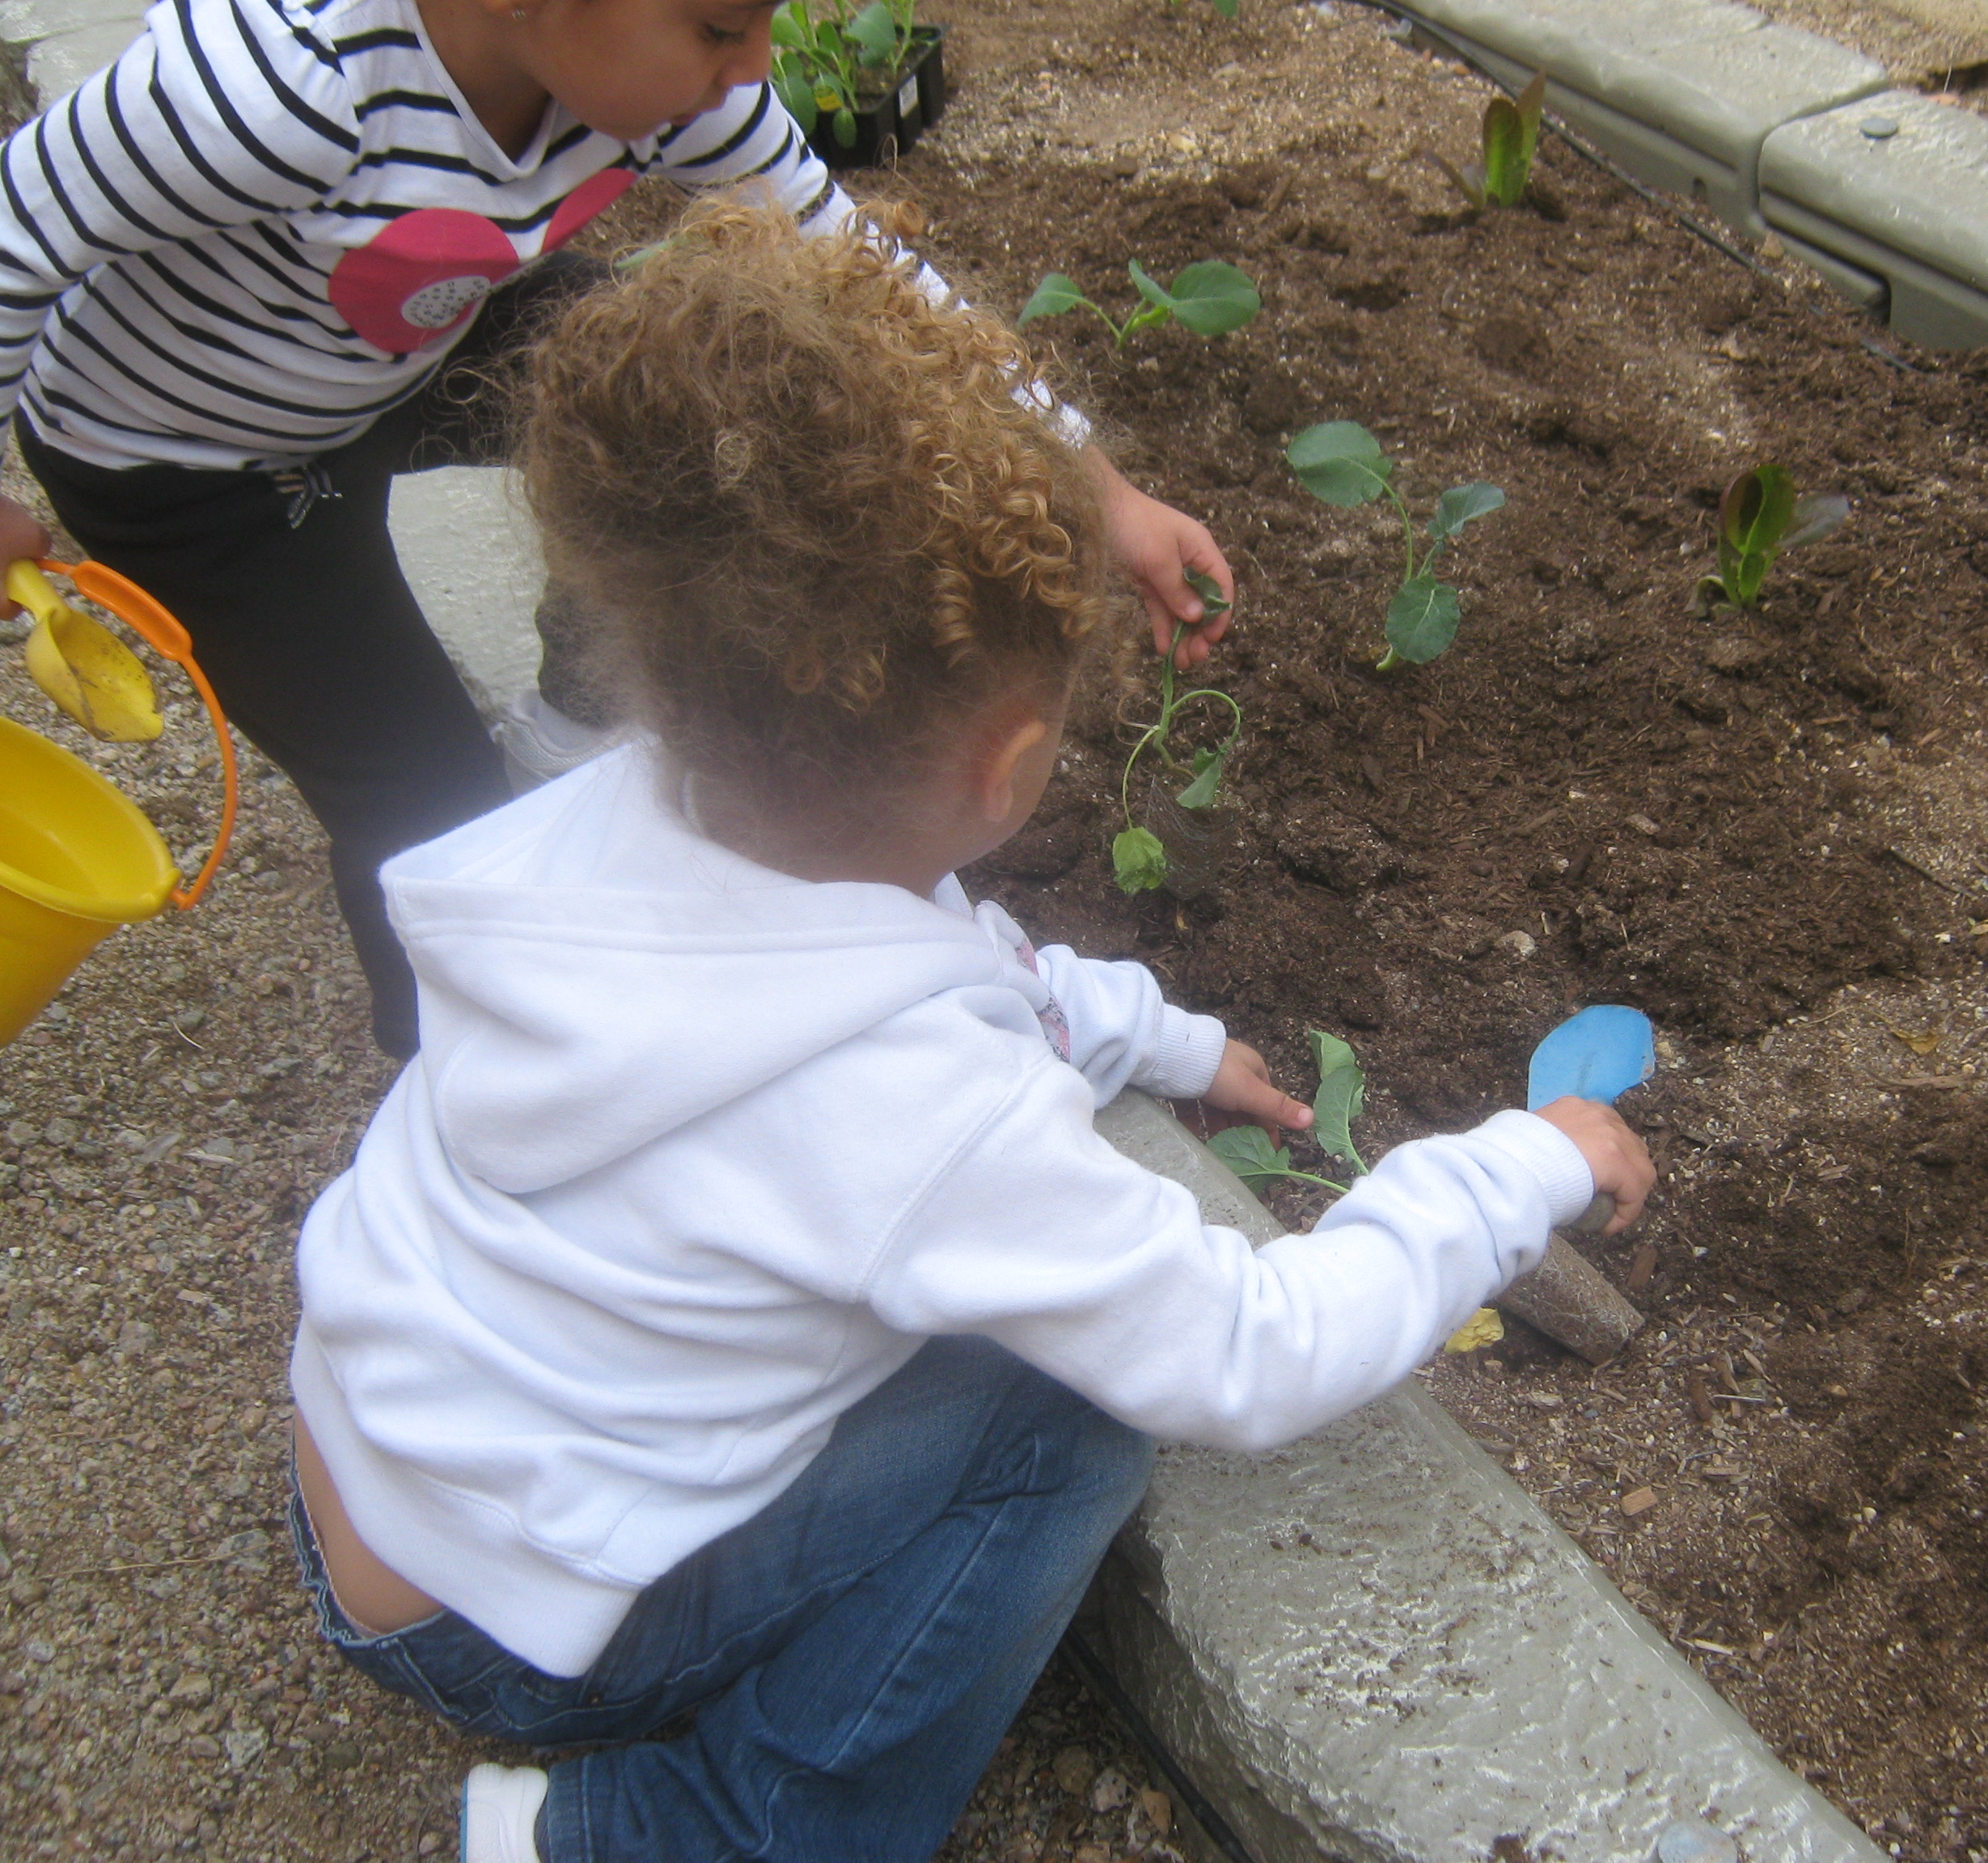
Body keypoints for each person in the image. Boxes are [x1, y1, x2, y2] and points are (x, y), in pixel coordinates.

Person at [284, 204, 1659, 1863]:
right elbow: (1249, 1351)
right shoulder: (924, 1116)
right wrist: (1518, 1169)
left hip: (362, 1477)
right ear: (1010, 758)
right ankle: (673, 1832)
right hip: (511, 1631)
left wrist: (1155, 1039)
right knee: (1056, 1415)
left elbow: (939, 959)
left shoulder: (605, 830)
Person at [0, 0, 1229, 1058]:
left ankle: (567, 724)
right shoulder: (271, 92)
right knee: (420, 796)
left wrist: (1101, 488)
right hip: (193, 464)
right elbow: (15, 231)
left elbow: (853, 252)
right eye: (716, 25)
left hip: (406, 354)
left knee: (702, 406)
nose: (751, 66)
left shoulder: (654, 86)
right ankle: (469, 1076)